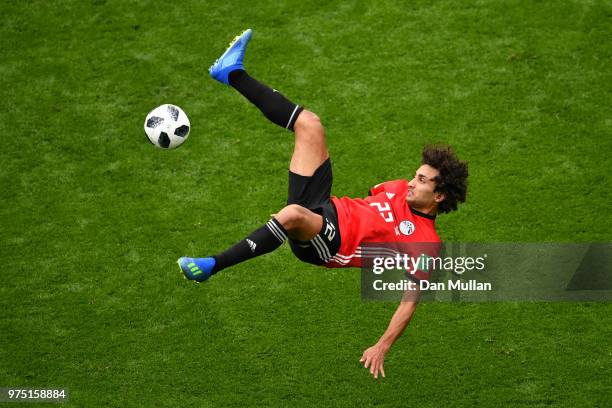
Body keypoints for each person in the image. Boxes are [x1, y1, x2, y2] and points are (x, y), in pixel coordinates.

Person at [178, 29, 469, 379]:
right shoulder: (396, 189)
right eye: (415, 175)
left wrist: (382, 345)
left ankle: (212, 265)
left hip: (330, 245)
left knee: (292, 215)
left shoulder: (426, 243)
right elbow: (369, 204)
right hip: (327, 207)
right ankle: (231, 73)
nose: (410, 182)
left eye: (421, 181)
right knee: (309, 125)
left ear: (439, 196)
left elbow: (409, 302)